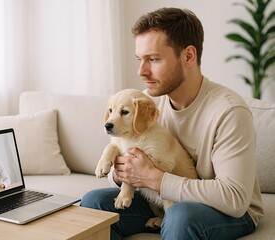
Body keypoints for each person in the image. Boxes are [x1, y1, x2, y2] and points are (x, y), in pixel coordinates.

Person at [80, 7, 264, 240]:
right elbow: (125, 156)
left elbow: (235, 199)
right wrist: (121, 174)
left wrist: (155, 179)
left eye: (153, 59)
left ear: (188, 56)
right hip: (163, 198)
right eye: (140, 60)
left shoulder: (229, 111)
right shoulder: (147, 103)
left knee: (180, 215)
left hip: (231, 212)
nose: (141, 71)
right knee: (93, 203)